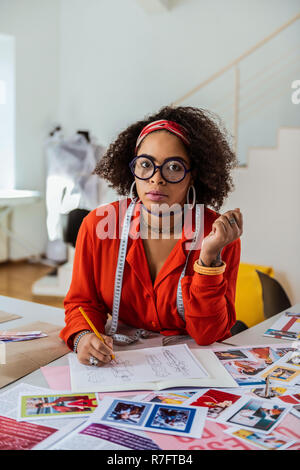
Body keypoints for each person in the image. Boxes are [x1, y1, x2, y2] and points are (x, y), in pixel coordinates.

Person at [59, 106, 243, 367]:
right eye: (146, 165)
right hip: (124, 363)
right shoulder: (97, 226)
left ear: (194, 176)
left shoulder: (218, 234)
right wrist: (83, 336)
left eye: (174, 167)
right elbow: (82, 303)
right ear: (132, 168)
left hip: (194, 366)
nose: (157, 179)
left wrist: (209, 259)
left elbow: (208, 335)